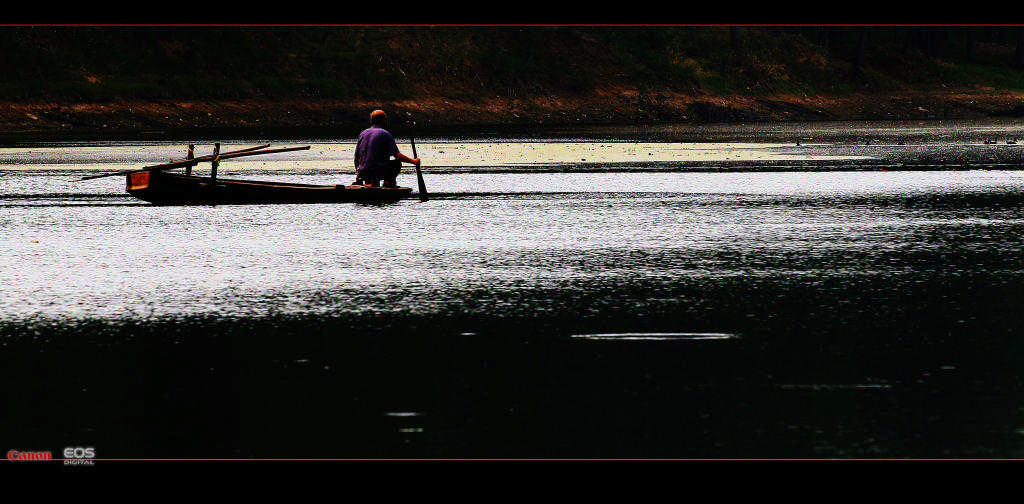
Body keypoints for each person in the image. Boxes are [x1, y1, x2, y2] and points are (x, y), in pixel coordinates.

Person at [353, 109, 420, 187]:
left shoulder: (363, 133)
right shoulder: (385, 134)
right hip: (376, 171)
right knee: (396, 163)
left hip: (363, 172)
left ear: (372, 121)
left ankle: (371, 183)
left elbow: (356, 158)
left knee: (373, 168)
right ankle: (388, 184)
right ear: (384, 121)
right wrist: (414, 161)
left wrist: (358, 173)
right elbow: (397, 155)